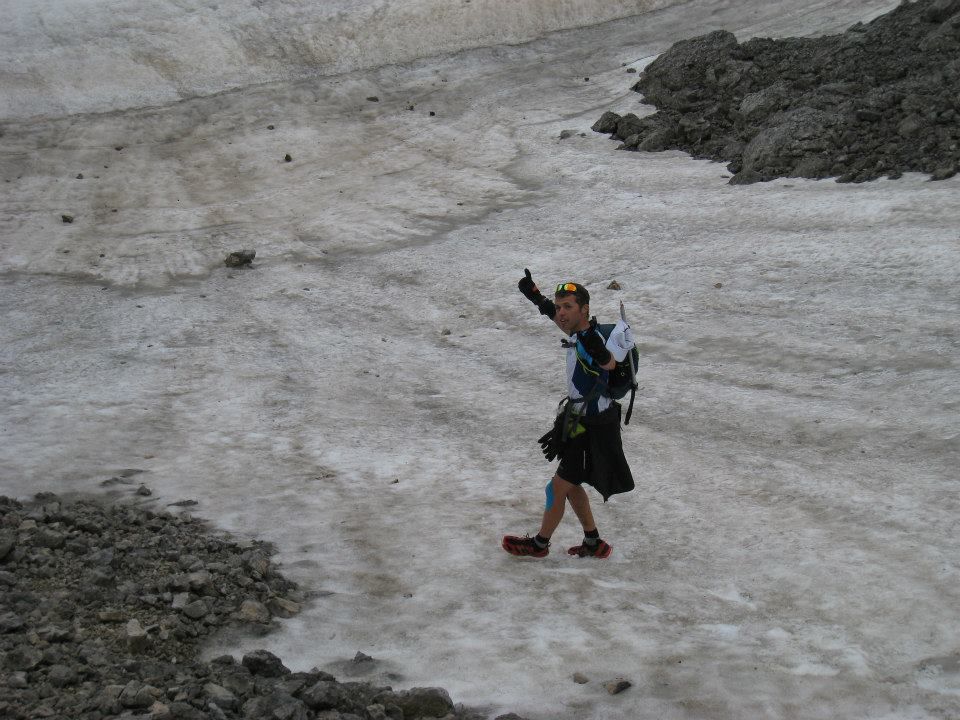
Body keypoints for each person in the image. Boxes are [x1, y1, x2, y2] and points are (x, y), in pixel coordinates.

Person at [502, 271, 635, 559]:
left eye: (568, 307)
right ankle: (593, 542)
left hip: (593, 426)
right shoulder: (580, 332)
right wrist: (535, 296)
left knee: (557, 487)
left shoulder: (591, 338)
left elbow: (609, 364)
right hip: (579, 422)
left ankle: (539, 544)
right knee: (572, 486)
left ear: (584, 309)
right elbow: (556, 317)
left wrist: (601, 355)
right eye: (559, 306)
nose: (561, 313)